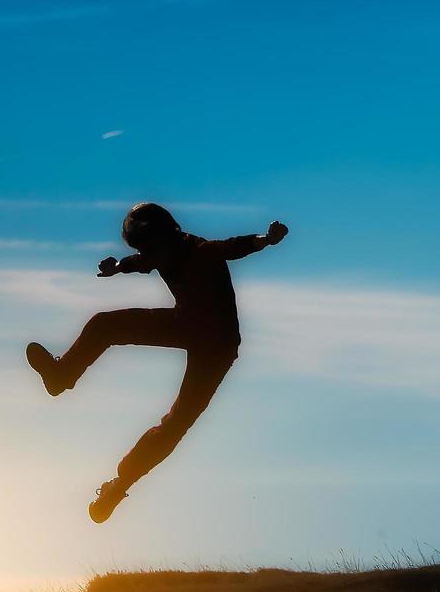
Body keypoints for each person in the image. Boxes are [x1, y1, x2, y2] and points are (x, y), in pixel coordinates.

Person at [25, 203, 289, 523]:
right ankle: (60, 375)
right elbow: (139, 262)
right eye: (142, 249)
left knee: (176, 423)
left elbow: (234, 247)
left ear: (167, 237)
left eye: (150, 249)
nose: (150, 257)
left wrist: (267, 238)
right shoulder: (157, 252)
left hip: (217, 346)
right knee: (103, 324)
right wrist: (118, 266)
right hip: (185, 323)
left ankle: (119, 486)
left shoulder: (200, 251)